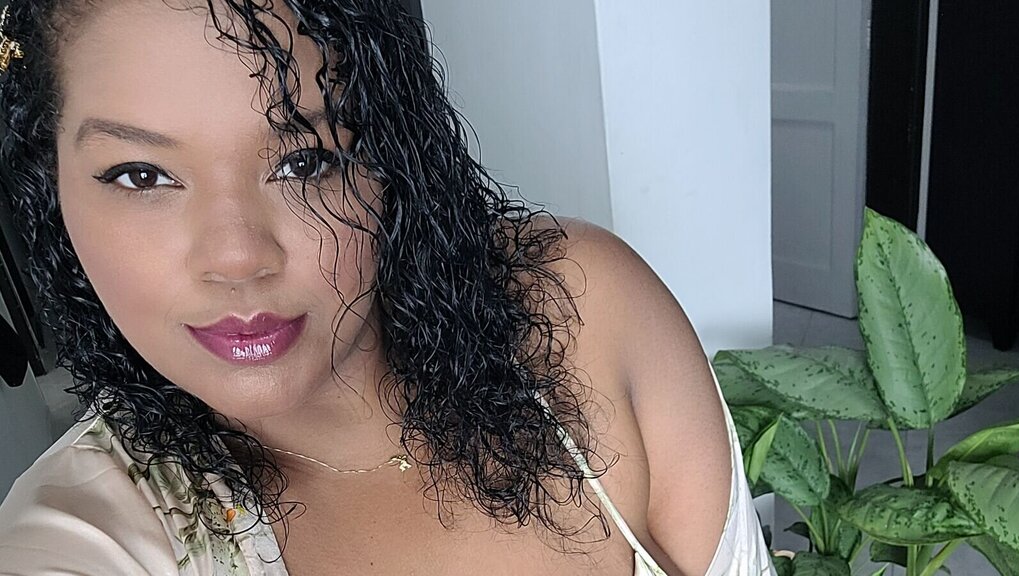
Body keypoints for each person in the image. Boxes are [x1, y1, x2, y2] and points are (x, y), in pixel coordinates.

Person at [0, 1, 776, 574]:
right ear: (51, 184)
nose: (236, 259)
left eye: (305, 161)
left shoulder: (584, 314)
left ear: (393, 157)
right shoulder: (80, 537)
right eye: (141, 176)